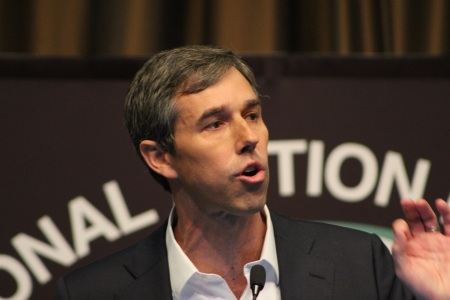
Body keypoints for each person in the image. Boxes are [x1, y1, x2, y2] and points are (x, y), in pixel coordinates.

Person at [54, 45, 450, 299]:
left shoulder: (359, 263)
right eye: (215, 123)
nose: (249, 138)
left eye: (252, 115)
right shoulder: (93, 293)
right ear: (161, 157)